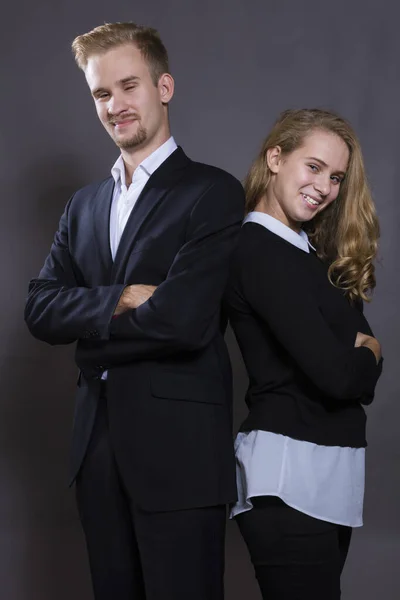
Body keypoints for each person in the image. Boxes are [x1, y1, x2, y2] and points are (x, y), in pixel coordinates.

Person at [24, 21, 244, 600]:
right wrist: (121, 298)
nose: (116, 106)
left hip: (181, 456)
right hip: (96, 453)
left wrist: (89, 329)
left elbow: (185, 320)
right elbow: (39, 310)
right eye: (102, 93)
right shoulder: (85, 205)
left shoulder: (212, 193)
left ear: (163, 87)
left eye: (129, 86)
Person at [224, 108, 383, 600]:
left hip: (329, 476)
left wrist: (363, 357)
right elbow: (341, 374)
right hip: (288, 478)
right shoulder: (258, 248)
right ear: (276, 157)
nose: (325, 187)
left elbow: (359, 364)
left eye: (335, 177)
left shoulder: (308, 253)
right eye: (313, 167)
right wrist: (368, 354)